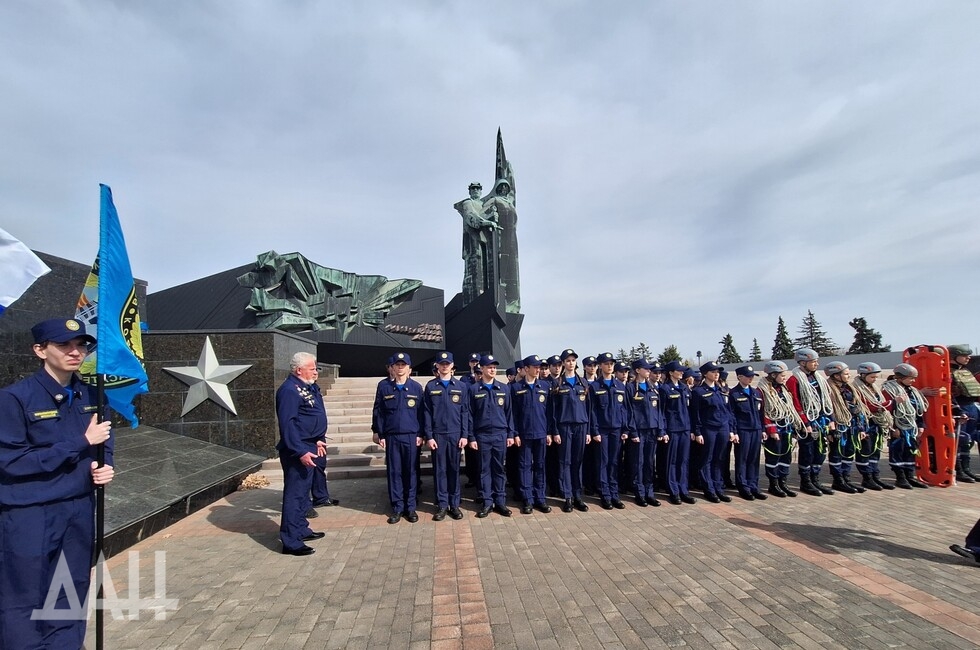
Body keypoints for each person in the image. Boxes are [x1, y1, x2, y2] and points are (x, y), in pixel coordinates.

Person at [0, 318, 114, 648]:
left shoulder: (93, 395)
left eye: (81, 345)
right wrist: (80, 442)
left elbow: (104, 443)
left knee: (70, 592)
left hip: (78, 509)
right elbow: (11, 461)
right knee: (24, 597)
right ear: (40, 350)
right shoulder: (14, 399)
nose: (75, 352)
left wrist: (105, 467)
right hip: (29, 512)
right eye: (64, 345)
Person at [275, 351, 328, 555]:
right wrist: (300, 451)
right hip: (297, 449)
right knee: (295, 495)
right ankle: (290, 541)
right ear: (299, 370)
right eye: (312, 368)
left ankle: (301, 528)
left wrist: (318, 438)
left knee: (303, 495)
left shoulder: (306, 387)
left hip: (310, 444)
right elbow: (288, 425)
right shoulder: (289, 390)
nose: (316, 371)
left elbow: (308, 417)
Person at [373, 352, 425, 524]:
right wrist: (379, 433)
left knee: (411, 472)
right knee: (394, 472)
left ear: (409, 368)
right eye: (398, 365)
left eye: (404, 365)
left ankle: (410, 507)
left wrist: (421, 434)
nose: (400, 368)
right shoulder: (384, 387)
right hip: (392, 436)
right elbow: (379, 411)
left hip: (411, 436)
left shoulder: (417, 388)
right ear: (393, 368)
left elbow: (422, 413)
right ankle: (397, 507)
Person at [422, 352, 470, 521]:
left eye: (447, 363)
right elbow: (426, 413)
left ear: (452, 365)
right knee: (440, 471)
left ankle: (454, 504)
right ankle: (442, 505)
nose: (444, 366)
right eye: (441, 363)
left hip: (456, 435)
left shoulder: (461, 386)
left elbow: (465, 412)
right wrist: (429, 436)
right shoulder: (430, 386)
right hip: (438, 435)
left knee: (454, 470)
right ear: (437, 366)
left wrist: (465, 435)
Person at [469, 355, 516, 517]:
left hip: (500, 435)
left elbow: (509, 414)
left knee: (499, 469)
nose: (493, 369)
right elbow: (470, 415)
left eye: (494, 367)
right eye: (489, 367)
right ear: (481, 369)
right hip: (482, 435)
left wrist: (510, 434)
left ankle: (501, 502)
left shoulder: (503, 389)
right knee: (484, 470)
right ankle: (487, 502)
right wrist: (472, 437)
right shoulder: (474, 390)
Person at [786, 348, 835, 496]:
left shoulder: (818, 378)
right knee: (807, 452)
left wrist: (831, 420)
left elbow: (826, 400)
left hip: (821, 421)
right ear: (802, 362)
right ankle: (805, 481)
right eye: (813, 362)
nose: (816, 364)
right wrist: (805, 423)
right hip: (807, 423)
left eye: (816, 361)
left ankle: (815, 479)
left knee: (820, 452)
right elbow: (795, 402)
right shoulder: (794, 380)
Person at [549, 349, 591, 512]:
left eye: (573, 360)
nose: (570, 363)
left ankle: (577, 495)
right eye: (567, 360)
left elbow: (589, 409)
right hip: (564, 427)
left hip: (581, 426)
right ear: (563, 364)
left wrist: (588, 431)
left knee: (578, 461)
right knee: (565, 462)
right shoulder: (557, 383)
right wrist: (556, 431)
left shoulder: (583, 383)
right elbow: (553, 410)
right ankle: (567, 496)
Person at [590, 353, 634, 509]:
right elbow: (592, 411)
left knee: (615, 462)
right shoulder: (595, 386)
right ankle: (605, 494)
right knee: (603, 462)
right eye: (606, 363)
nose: (609, 366)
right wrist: (594, 431)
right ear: (600, 366)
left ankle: (614, 494)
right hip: (602, 430)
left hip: (617, 430)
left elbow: (625, 410)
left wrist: (626, 429)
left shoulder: (621, 386)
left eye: (611, 363)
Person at [510, 355, 552, 514]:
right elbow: (513, 414)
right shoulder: (516, 388)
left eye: (539, 367)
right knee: (525, 466)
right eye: (534, 367)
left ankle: (540, 498)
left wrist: (549, 432)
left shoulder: (545, 386)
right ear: (526, 368)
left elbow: (549, 412)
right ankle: (527, 499)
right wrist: (515, 434)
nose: (538, 369)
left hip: (541, 433)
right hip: (524, 434)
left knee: (540, 466)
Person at [690, 361, 734, 503]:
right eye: (713, 372)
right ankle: (709, 489)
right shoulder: (698, 391)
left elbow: (728, 411)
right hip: (708, 429)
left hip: (722, 428)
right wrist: (697, 432)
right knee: (707, 459)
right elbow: (695, 414)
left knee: (719, 459)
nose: (716, 374)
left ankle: (718, 488)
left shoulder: (721, 390)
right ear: (705, 374)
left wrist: (731, 429)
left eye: (717, 372)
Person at [757, 361, 802, 497]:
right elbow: (764, 412)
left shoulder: (783, 389)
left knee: (786, 456)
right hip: (775, 430)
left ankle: (783, 482)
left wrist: (795, 427)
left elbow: (791, 407)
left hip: (786, 427)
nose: (784, 378)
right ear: (773, 374)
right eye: (782, 375)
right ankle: (774, 484)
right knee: (774, 457)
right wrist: (771, 431)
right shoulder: (762, 391)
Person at [822, 361, 868, 494]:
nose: (849, 376)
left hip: (852, 425)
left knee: (849, 452)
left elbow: (857, 407)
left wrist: (861, 428)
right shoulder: (829, 390)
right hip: (839, 426)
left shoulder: (848, 388)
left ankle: (846, 478)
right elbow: (828, 409)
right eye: (846, 374)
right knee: (837, 453)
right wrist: (831, 429)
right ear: (836, 376)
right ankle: (838, 480)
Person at [881, 364, 929, 488]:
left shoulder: (913, 391)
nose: (913, 381)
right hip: (898, 427)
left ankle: (909, 476)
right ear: (900, 378)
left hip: (911, 427)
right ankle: (900, 477)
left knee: (910, 451)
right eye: (911, 378)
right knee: (898, 451)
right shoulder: (889, 391)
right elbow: (887, 411)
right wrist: (893, 428)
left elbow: (918, 409)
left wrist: (920, 425)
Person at [852, 362, 896, 490]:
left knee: (875, 451)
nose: (874, 380)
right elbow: (869, 406)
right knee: (865, 451)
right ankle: (867, 478)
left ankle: (875, 476)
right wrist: (892, 403)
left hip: (876, 424)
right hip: (866, 424)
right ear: (863, 375)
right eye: (872, 377)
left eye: (876, 377)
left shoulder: (873, 388)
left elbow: (879, 403)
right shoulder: (856, 389)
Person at [626, 358, 663, 507]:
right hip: (639, 431)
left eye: (649, 369)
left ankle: (650, 492)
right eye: (646, 368)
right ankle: (639, 492)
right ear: (637, 370)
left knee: (649, 463)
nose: (649, 371)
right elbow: (628, 411)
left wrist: (660, 429)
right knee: (638, 463)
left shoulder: (653, 388)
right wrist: (633, 432)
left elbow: (658, 411)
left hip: (652, 430)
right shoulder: (630, 388)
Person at [728, 365, 767, 501]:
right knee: (742, 459)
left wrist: (763, 429)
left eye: (752, 376)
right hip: (743, 430)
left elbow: (761, 413)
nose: (750, 378)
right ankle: (743, 487)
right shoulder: (734, 393)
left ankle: (753, 486)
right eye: (748, 376)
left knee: (754, 459)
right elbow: (731, 415)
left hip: (756, 429)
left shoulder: (756, 393)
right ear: (739, 377)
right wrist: (734, 431)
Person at [660, 360, 696, 504]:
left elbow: (689, 411)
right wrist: (663, 430)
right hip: (673, 429)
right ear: (670, 373)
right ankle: (673, 491)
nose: (682, 372)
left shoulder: (684, 388)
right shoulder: (664, 389)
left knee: (683, 461)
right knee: (672, 461)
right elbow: (661, 412)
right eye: (679, 370)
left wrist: (692, 429)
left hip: (685, 429)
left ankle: (683, 490)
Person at [949, 345, 980, 482]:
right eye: (965, 355)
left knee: (969, 441)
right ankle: (959, 469)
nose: (968, 357)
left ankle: (966, 469)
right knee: (960, 441)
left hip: (972, 407)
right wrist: (957, 410)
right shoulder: (947, 372)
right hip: (960, 408)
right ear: (954, 356)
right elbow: (948, 394)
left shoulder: (965, 371)